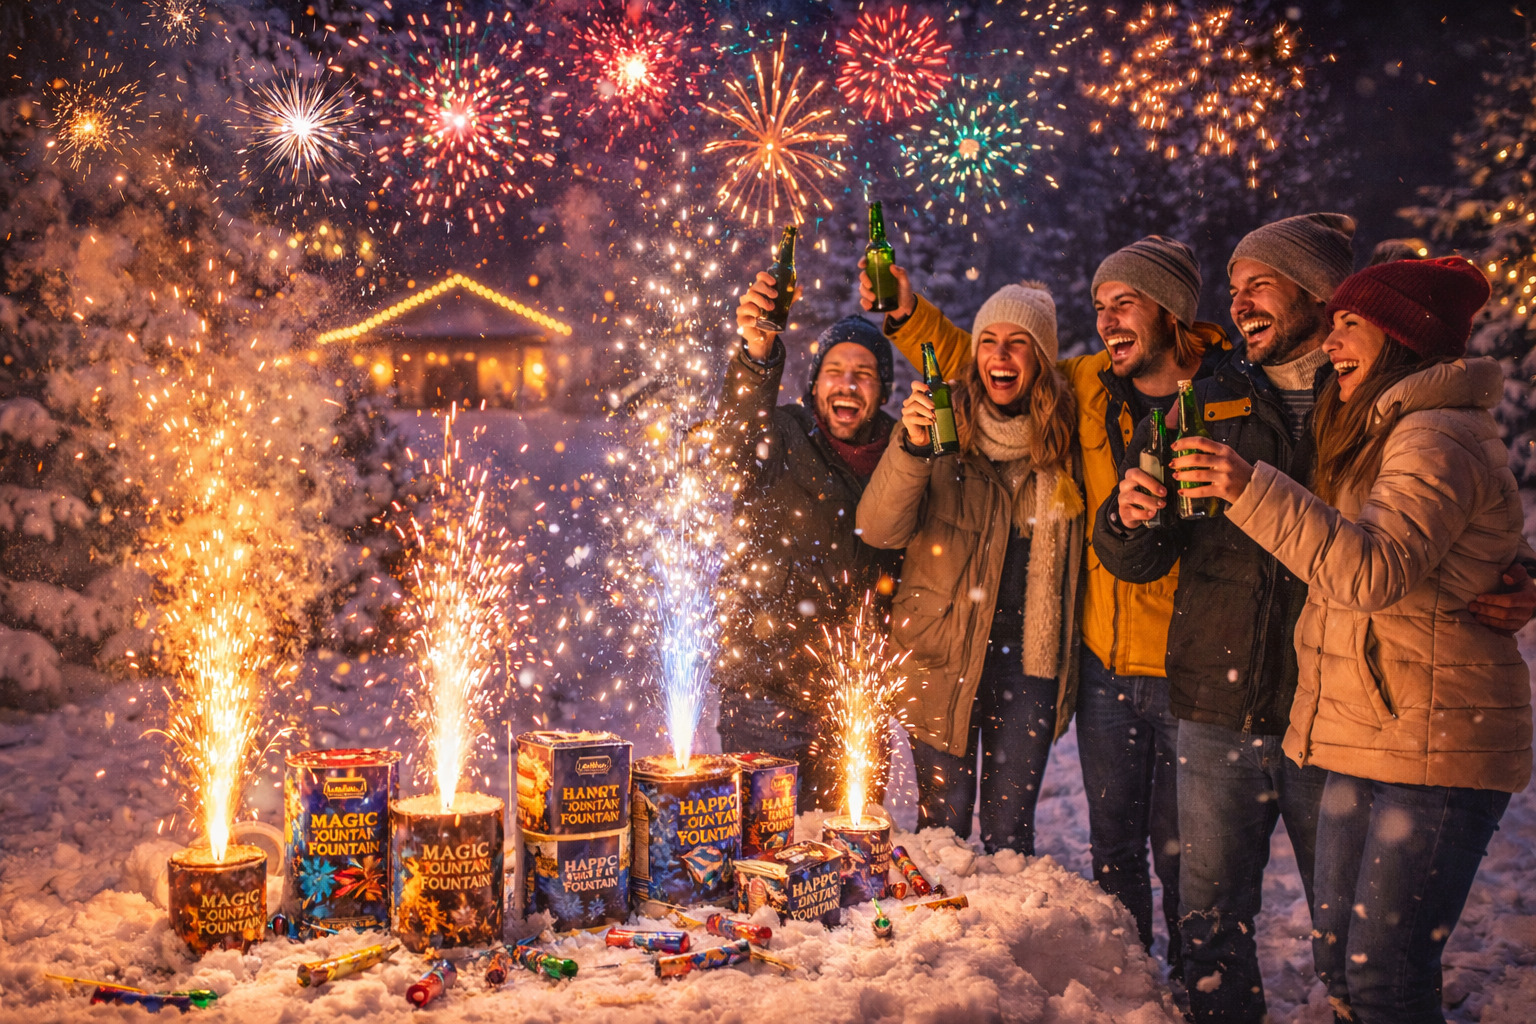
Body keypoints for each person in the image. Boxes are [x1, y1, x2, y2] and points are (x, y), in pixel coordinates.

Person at [1101, 216, 1536, 1024]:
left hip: (1344, 714)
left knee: (1361, 962)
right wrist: (1128, 518)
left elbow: (1422, 528)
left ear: (1318, 293)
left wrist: (1519, 575)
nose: (1240, 303)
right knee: (1219, 930)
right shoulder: (1215, 393)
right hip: (1221, 701)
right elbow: (1141, 555)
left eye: (1259, 283)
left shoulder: (1368, 413)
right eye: (1233, 289)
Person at [864, 238, 1227, 973]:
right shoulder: (1008, 406)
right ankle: (975, 972)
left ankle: (1168, 984)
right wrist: (906, 319)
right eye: (1101, 306)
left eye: (1125, 300)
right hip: (1018, 662)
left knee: (1048, 842)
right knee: (986, 837)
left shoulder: (1129, 402)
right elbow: (978, 354)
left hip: (1102, 667)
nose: (1001, 357)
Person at [855, 281, 1084, 855]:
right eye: (987, 341)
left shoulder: (1068, 437)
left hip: (1029, 666)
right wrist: (910, 448)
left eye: (1017, 343)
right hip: (942, 656)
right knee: (943, 832)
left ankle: (996, 945)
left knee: (1009, 836)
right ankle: (943, 940)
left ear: (1042, 357)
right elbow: (878, 528)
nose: (1000, 356)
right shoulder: (937, 421)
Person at [716, 274, 902, 808]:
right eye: (835, 372)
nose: (848, 384)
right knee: (762, 862)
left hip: (855, 705)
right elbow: (731, 446)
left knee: (847, 862)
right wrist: (757, 352)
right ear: (815, 383)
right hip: (765, 700)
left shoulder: (902, 456)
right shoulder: (779, 434)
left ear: (882, 391)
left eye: (864, 375)